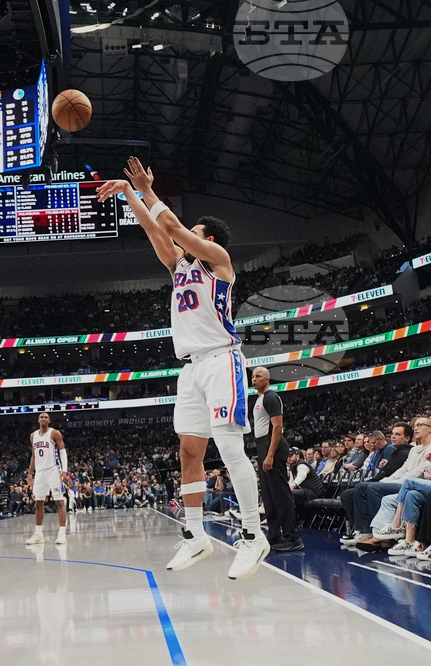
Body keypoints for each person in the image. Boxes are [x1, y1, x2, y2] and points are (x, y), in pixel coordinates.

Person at [99, 157, 269, 580]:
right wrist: (127, 194)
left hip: (221, 360)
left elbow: (171, 227)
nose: (182, 236)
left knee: (229, 448)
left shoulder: (219, 260)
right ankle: (197, 536)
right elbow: (157, 231)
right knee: (189, 451)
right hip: (191, 368)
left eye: (193, 232)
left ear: (206, 239)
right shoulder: (180, 268)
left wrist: (147, 190)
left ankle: (253, 535)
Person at [251, 367, 301, 551]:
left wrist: (270, 454)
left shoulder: (271, 397)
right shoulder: (259, 399)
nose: (254, 379)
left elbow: (278, 427)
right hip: (262, 444)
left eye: (257, 376)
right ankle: (274, 535)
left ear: (266, 379)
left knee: (280, 494)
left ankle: (292, 537)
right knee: (269, 494)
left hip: (273, 445)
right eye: (253, 376)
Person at [25, 413, 69, 545]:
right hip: (40, 472)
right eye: (41, 417)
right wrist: (30, 473)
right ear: (38, 420)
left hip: (53, 470)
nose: (43, 419)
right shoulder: (33, 436)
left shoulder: (54, 433)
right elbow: (34, 455)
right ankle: (38, 534)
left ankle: (62, 534)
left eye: (46, 417)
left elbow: (62, 451)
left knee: (59, 501)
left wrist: (65, 470)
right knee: (38, 503)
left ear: (49, 420)